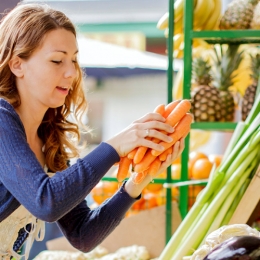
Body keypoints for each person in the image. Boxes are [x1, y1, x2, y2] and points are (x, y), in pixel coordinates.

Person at [0, 2, 185, 260]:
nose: (71, 72)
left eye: (74, 60)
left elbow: (83, 235)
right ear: (17, 64)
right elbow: (46, 202)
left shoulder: (49, 140)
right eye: (57, 60)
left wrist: (138, 180)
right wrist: (113, 147)